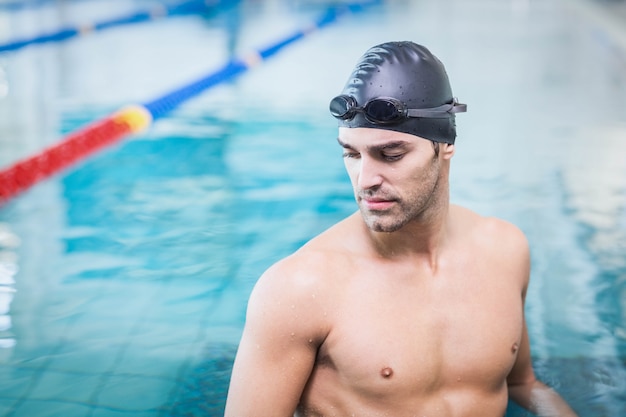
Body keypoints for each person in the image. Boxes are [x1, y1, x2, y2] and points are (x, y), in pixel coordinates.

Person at [224, 41, 578, 417]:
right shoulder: (300, 288)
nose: (365, 179)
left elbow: (522, 385)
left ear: (444, 146)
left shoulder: (505, 250)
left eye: (390, 154)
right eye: (352, 154)